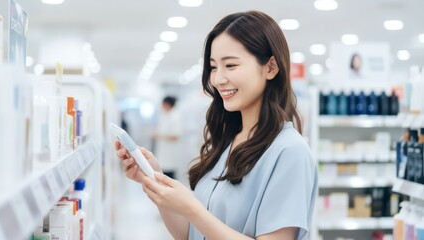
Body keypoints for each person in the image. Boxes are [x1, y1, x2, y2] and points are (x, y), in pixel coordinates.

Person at [115, 10, 317, 240]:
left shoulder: (290, 152)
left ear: (270, 67)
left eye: (230, 65)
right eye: (213, 67)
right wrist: (155, 179)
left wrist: (192, 208)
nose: (218, 79)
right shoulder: (228, 141)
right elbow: (191, 234)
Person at [152, 96, 182, 179]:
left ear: (167, 104)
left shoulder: (175, 117)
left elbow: (176, 136)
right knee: (163, 172)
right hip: (164, 153)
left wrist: (160, 135)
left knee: (169, 175)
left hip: (170, 153)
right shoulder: (165, 115)